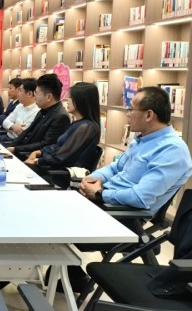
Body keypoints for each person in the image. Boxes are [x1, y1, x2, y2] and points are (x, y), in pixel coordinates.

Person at [80, 86, 192, 216]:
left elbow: (140, 197)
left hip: (121, 213)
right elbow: (114, 169)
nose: (127, 114)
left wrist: (100, 194)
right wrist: (90, 180)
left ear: (148, 115)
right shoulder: (141, 140)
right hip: (105, 200)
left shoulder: (173, 150)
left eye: (131, 109)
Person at [24, 82, 101, 172]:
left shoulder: (86, 127)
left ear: (81, 100)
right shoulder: (79, 124)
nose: (66, 100)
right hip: (54, 168)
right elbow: (58, 146)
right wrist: (39, 152)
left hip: (61, 173)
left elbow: (62, 155)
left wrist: (37, 161)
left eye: (70, 97)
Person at [6, 73, 71, 158]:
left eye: (36, 93)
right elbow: (26, 132)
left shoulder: (61, 117)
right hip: (23, 150)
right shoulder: (43, 110)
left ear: (48, 97)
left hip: (32, 157)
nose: (34, 96)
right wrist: (11, 146)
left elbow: (45, 145)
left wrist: (16, 149)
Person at [0, 78, 39, 144]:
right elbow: (5, 121)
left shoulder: (36, 112)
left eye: (20, 91)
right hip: (6, 136)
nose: (18, 94)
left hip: (14, 142)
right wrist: (13, 126)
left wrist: (10, 126)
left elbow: (21, 133)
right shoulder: (19, 106)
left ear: (29, 94)